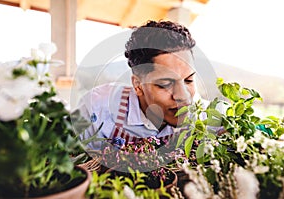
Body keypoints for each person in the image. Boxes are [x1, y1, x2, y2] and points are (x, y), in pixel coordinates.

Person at [77, 20, 203, 150]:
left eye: (188, 80)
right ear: (138, 86)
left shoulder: (203, 115)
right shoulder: (98, 110)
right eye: (166, 84)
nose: (183, 96)